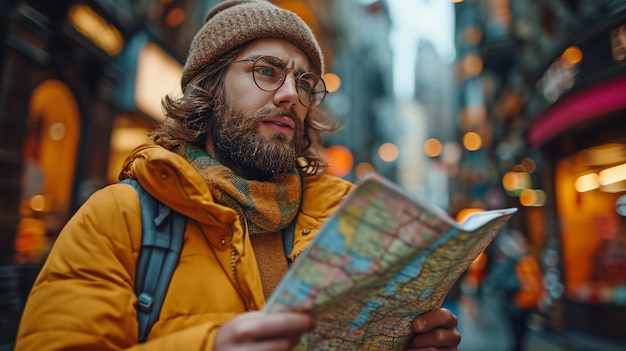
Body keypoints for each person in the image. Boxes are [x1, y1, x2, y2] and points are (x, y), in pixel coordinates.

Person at [14, 0, 461, 350]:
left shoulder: (343, 226)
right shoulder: (118, 218)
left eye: (305, 83)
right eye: (267, 71)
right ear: (210, 87)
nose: (291, 95)